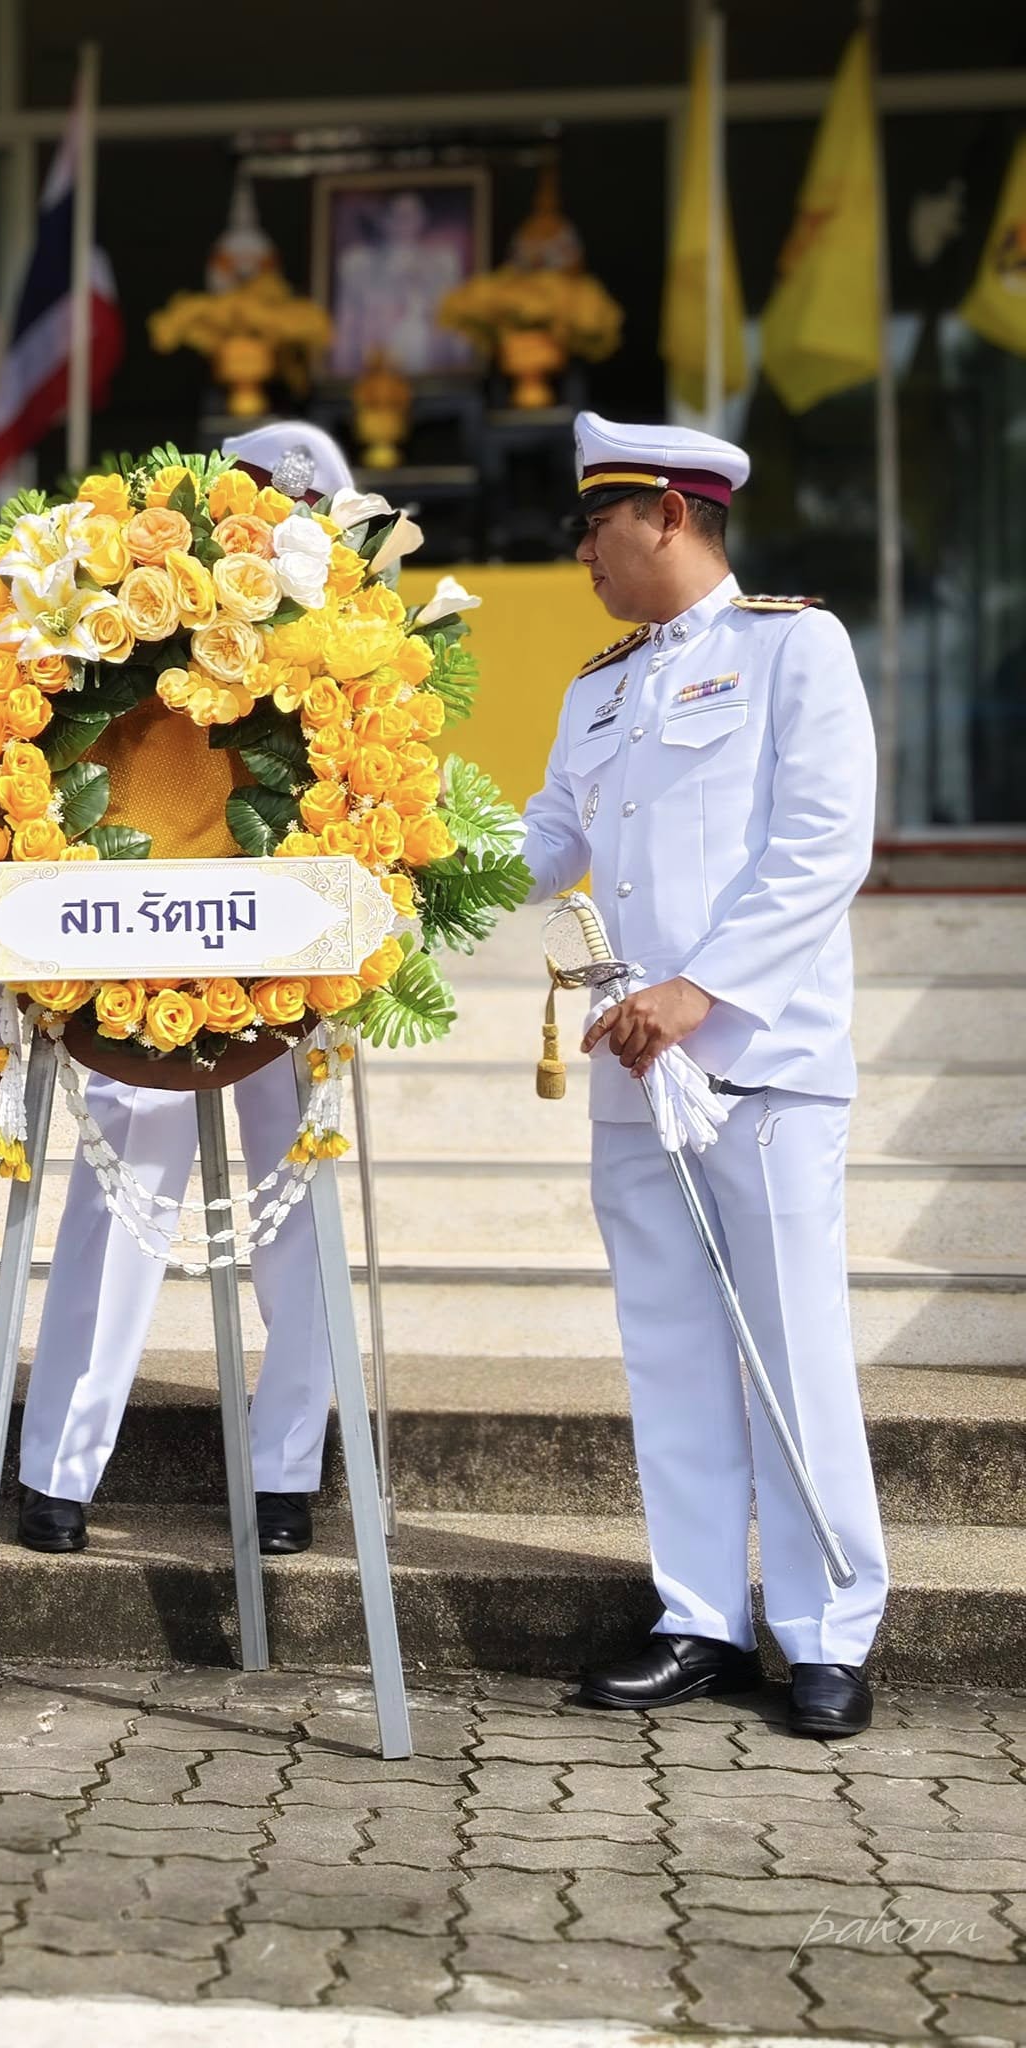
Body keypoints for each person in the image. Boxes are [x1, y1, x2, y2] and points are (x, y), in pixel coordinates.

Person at [519, 411, 888, 1740]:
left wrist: (701, 989)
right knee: (671, 1350)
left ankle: (828, 1626)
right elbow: (550, 836)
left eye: (598, 525)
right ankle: (698, 1619)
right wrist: (404, 856)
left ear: (669, 516)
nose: (583, 551)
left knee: (791, 1348)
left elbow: (823, 844)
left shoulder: (793, 648)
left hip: (756, 1065)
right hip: (635, 1069)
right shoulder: (599, 686)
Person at [13, 423, 355, 1561]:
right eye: (251, 516)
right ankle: (59, 1467)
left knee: (296, 1196)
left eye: (291, 525)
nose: (265, 539)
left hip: (283, 954)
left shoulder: (338, 652)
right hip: (138, 939)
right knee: (117, 1197)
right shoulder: (140, 607)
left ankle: (288, 1471)